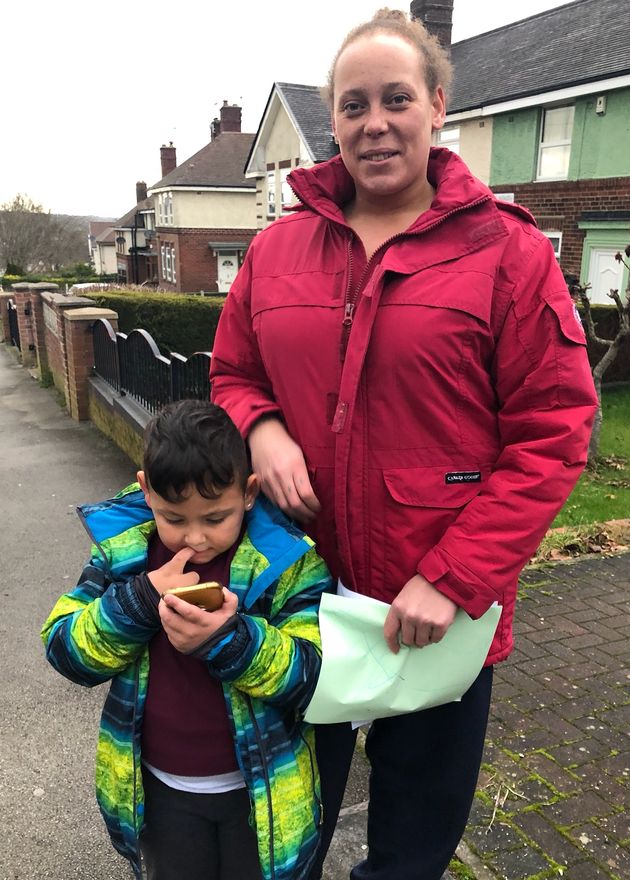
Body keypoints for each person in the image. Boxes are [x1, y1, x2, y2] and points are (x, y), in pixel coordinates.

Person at [209, 8, 598, 880]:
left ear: (436, 107)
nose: (373, 122)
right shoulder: (275, 252)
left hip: (431, 615)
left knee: (412, 848)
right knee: (284, 833)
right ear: (334, 121)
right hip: (295, 600)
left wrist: (454, 578)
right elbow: (232, 372)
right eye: (353, 105)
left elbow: (554, 433)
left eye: (395, 99)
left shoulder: (510, 254)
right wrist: (262, 428)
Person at [41, 399, 332, 880]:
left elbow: (312, 675)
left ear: (249, 492)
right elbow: (65, 649)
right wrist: (138, 600)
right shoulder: (125, 557)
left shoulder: (286, 563)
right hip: (162, 792)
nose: (195, 538)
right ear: (146, 491)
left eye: (215, 518)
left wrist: (230, 642)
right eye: (174, 519)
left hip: (262, 796)